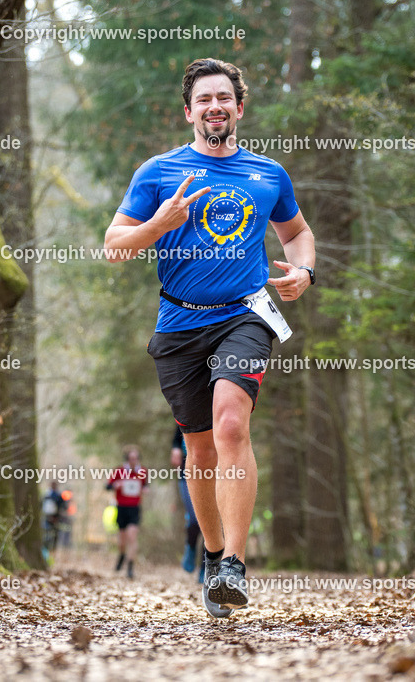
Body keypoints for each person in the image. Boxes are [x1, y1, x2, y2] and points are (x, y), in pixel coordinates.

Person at [104, 58, 315, 617]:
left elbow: (296, 232)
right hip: (177, 324)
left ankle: (234, 567)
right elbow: (114, 246)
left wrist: (305, 272)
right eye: (204, 99)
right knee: (198, 448)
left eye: (225, 97)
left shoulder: (268, 173)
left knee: (229, 423)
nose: (215, 107)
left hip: (244, 315)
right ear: (189, 111)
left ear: (239, 108)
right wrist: (159, 226)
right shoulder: (158, 172)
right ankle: (214, 558)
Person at [106, 445, 148, 579]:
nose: (133, 461)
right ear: (127, 459)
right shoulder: (119, 471)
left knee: (132, 536)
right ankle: (122, 555)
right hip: (121, 507)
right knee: (122, 540)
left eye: (135, 458)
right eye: (131, 458)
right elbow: (107, 486)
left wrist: (146, 490)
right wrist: (116, 485)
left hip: (134, 508)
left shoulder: (142, 471)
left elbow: (145, 486)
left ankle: (130, 567)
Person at [171, 425, 203, 580]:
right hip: (187, 475)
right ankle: (190, 547)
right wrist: (176, 448)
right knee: (195, 517)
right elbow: (178, 434)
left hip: (214, 474)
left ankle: (205, 567)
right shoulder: (190, 405)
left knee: (211, 522)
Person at [42, 482, 67, 559]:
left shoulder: (47, 495)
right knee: (49, 537)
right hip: (51, 520)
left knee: (50, 537)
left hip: (51, 519)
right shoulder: (53, 495)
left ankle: (50, 554)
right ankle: (48, 554)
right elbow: (64, 507)